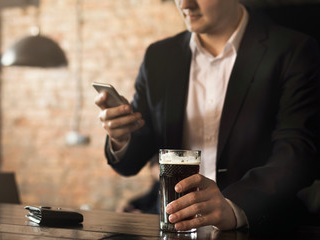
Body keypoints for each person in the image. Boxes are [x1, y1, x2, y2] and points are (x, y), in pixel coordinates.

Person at [95, 0, 320, 233]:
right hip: (173, 227)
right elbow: (131, 161)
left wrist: (235, 206)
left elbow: (298, 153)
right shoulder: (159, 57)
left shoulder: (293, 50)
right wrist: (121, 138)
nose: (184, 4)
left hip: (262, 227)